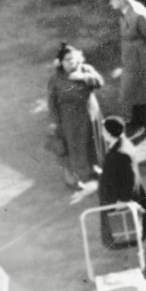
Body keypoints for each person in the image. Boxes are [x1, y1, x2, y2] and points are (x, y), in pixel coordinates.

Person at [108, 0, 146, 140]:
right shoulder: (126, 13)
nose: (111, 2)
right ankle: (137, 120)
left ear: (122, 0)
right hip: (132, 60)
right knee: (133, 90)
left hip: (142, 61)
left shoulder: (137, 15)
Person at [47, 43, 106, 190]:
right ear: (61, 62)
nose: (71, 62)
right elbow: (51, 102)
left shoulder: (86, 70)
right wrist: (54, 121)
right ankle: (76, 177)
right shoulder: (55, 78)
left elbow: (100, 82)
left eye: (73, 59)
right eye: (67, 60)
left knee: (93, 143)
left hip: (90, 114)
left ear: (78, 58)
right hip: (70, 119)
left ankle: (93, 169)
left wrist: (84, 77)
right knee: (75, 147)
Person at [96, 117, 146, 241]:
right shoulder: (121, 144)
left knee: (126, 229)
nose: (101, 133)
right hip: (119, 194)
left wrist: (123, 199)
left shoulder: (121, 151)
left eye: (103, 130)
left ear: (110, 133)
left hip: (120, 199)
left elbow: (129, 177)